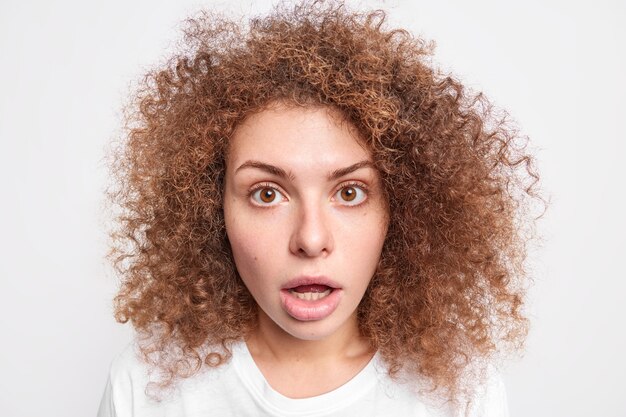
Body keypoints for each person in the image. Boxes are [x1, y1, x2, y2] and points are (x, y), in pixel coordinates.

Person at [98, 1, 540, 416]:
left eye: (349, 193)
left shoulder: (460, 394)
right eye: (267, 194)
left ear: (402, 209)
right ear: (212, 209)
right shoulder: (147, 385)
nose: (310, 239)